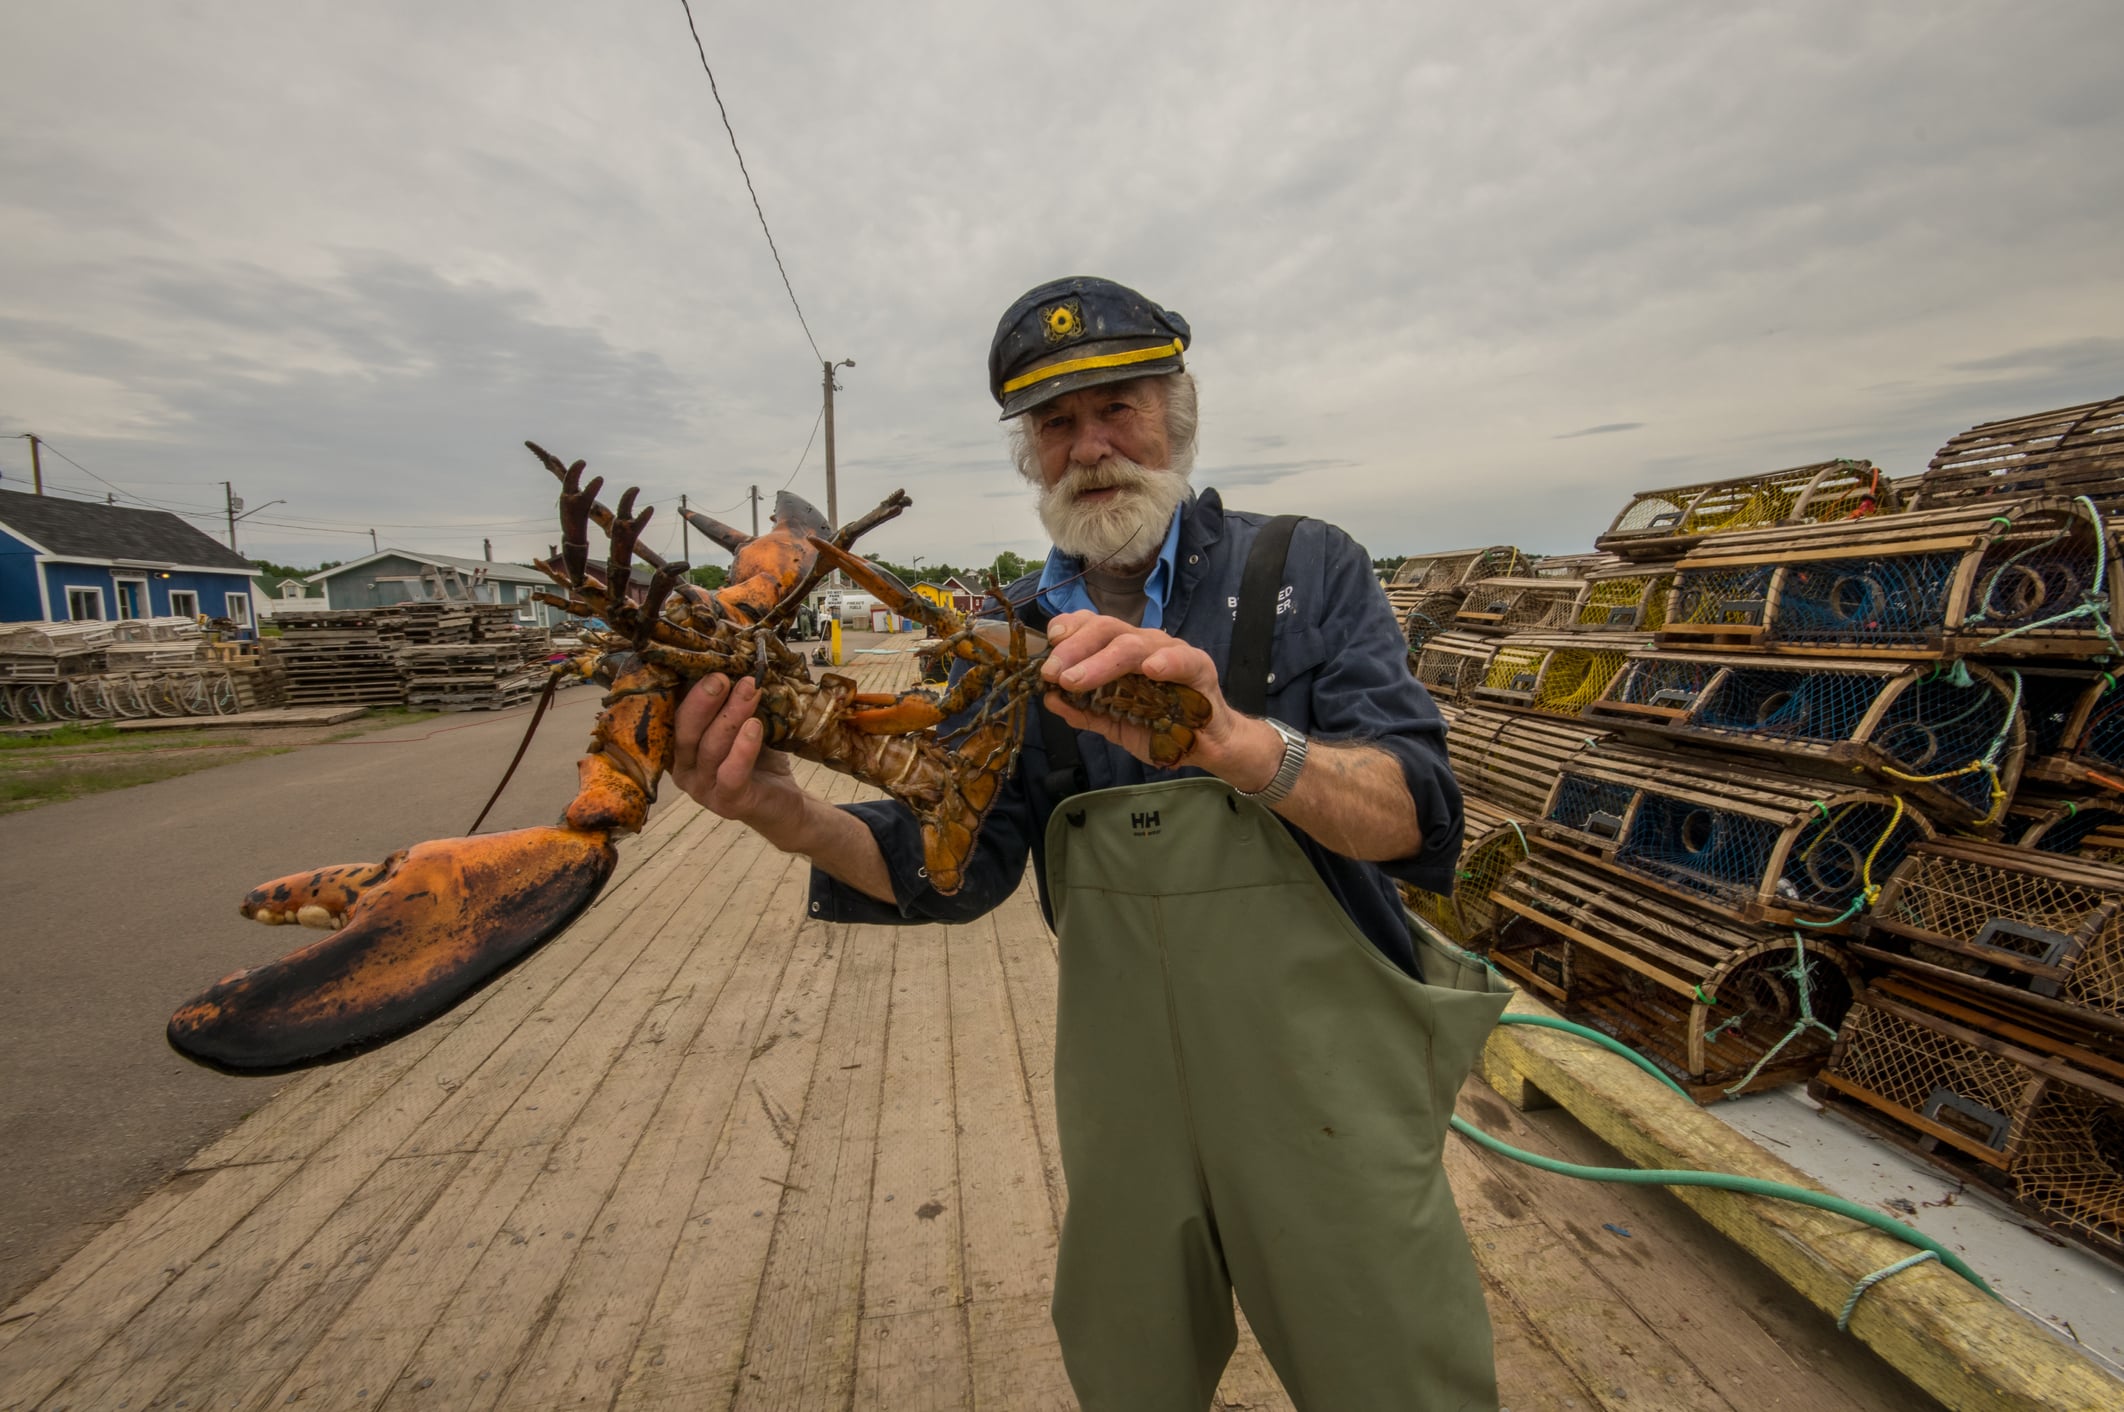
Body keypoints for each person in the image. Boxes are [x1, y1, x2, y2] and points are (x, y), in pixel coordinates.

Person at [670, 275, 1509, 1411]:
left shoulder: (1306, 572)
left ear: (1180, 410)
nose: (1091, 445)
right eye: (1055, 423)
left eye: (1118, 405)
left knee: (1399, 1379)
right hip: (1127, 1110)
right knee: (1127, 1374)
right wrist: (782, 811)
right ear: (1028, 454)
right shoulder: (1007, 631)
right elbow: (952, 867)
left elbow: (1417, 813)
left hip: (1332, 1088)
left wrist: (1231, 740)